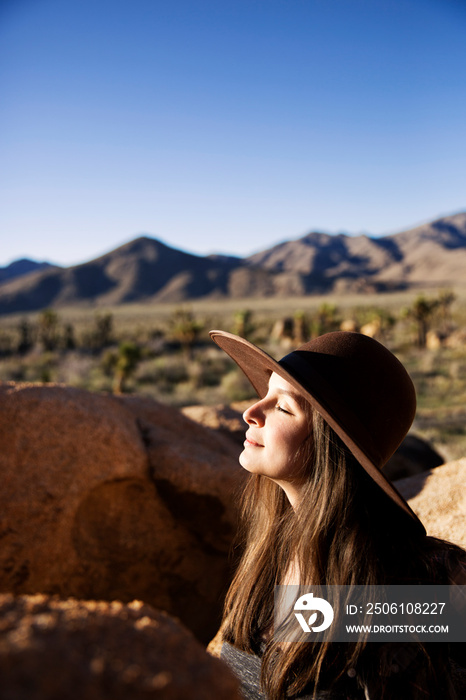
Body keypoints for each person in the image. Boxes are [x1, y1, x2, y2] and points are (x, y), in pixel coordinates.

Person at [209, 329, 465, 700]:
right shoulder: (271, 551)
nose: (251, 412)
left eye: (282, 407)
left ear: (331, 445)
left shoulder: (419, 582)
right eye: (264, 395)